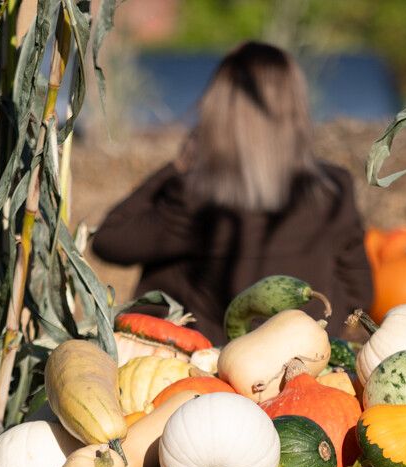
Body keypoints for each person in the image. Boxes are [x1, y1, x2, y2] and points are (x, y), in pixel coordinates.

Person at [91, 41, 373, 345]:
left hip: (212, 366)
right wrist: (328, 335)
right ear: (296, 109)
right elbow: (361, 293)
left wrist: (176, 168)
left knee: (165, 268)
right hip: (307, 360)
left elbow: (109, 239)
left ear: (219, 111)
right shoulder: (333, 187)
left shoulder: (196, 197)